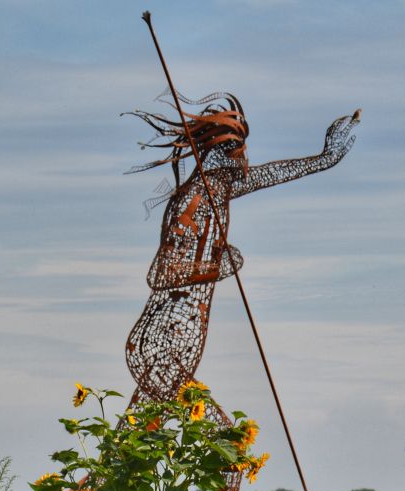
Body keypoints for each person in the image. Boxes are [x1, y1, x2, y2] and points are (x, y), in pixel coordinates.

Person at [124, 93, 359, 411]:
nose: (244, 162)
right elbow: (161, 273)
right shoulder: (194, 200)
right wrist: (218, 267)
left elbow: (269, 174)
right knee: (228, 443)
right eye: (236, 152)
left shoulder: (216, 190)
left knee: (135, 445)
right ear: (217, 153)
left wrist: (324, 160)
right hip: (163, 344)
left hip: (175, 344)